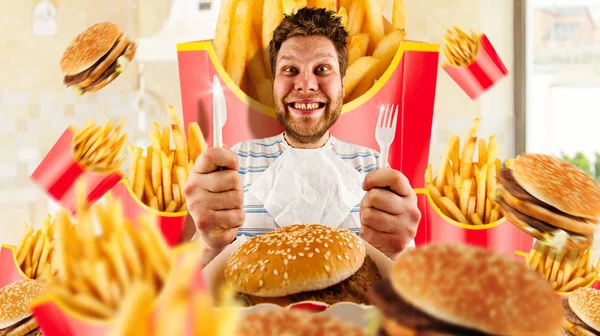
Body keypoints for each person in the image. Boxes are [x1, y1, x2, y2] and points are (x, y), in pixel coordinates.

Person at [182, 7, 421, 265]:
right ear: (273, 82)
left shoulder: (376, 167)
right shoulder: (233, 163)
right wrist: (207, 242)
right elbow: (192, 287)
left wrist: (399, 251)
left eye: (321, 69)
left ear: (343, 81)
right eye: (290, 70)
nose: (306, 84)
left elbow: (412, 289)